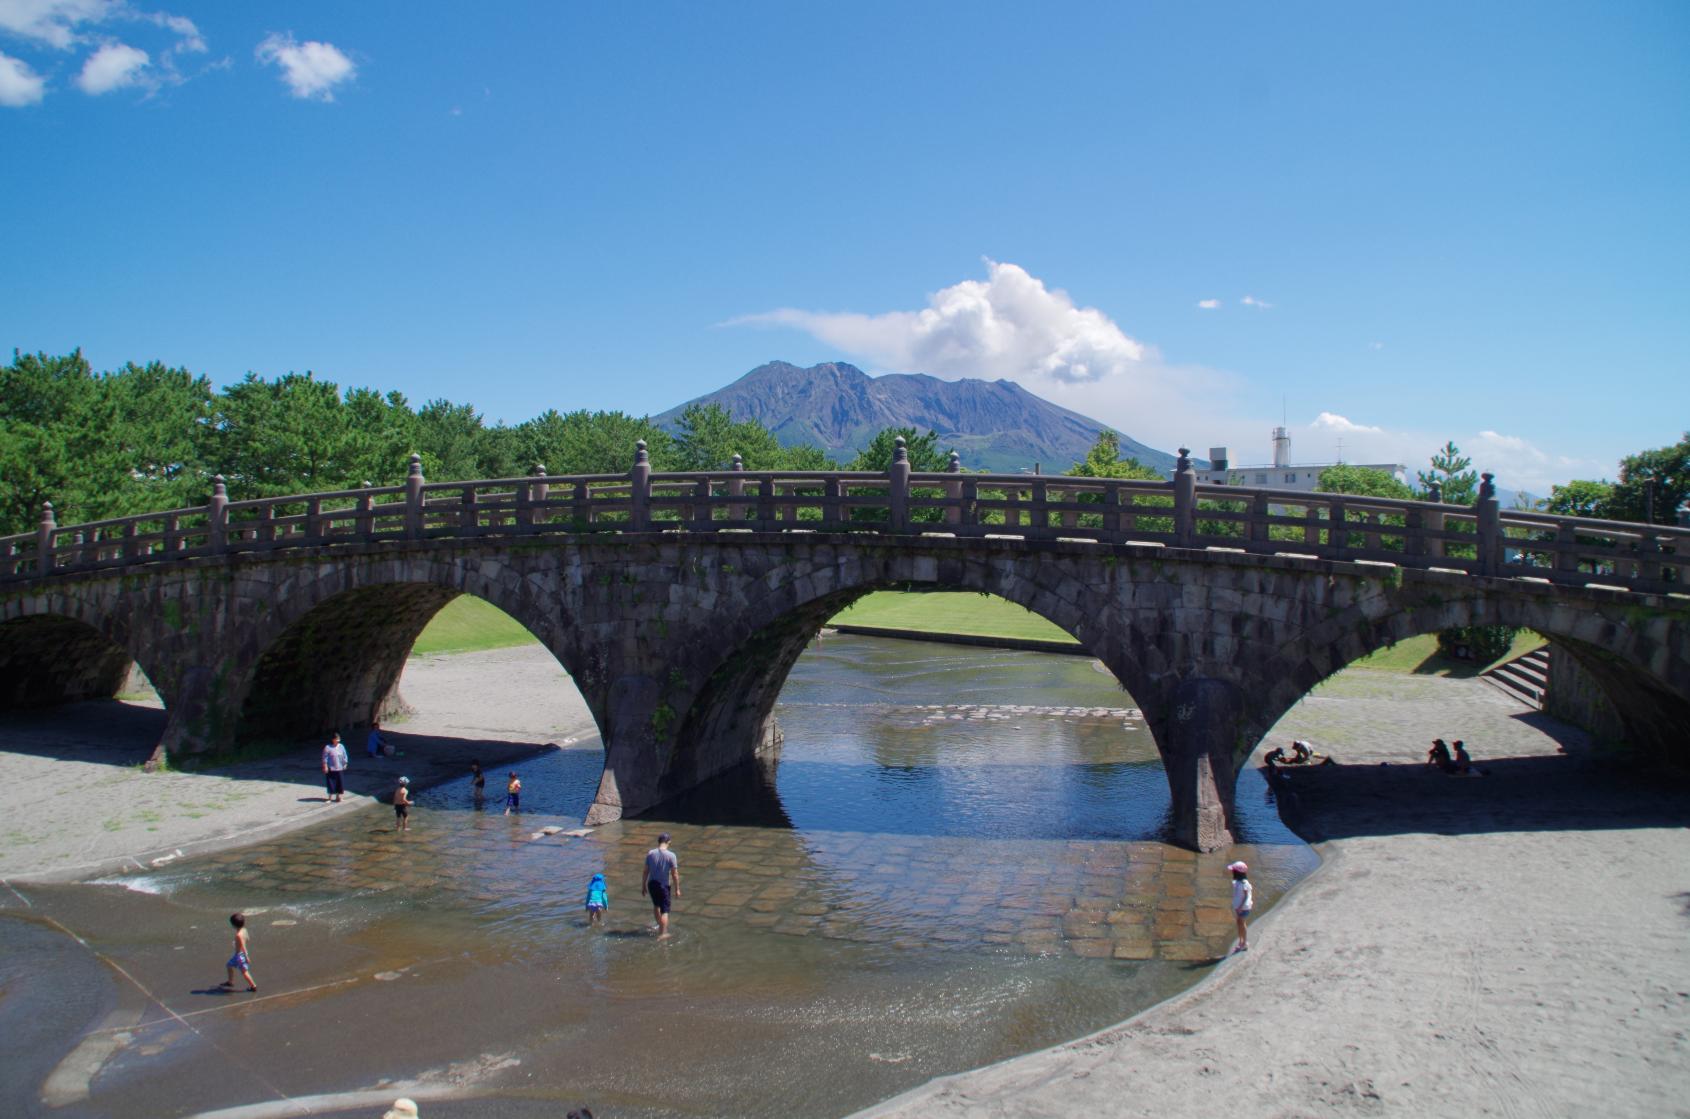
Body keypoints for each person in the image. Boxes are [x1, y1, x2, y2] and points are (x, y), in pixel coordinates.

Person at [642, 832, 681, 939]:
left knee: (656, 906)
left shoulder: (650, 853)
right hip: (663, 886)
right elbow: (674, 874)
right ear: (668, 842)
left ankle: (660, 926)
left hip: (651, 884)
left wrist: (643, 885)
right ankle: (663, 934)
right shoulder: (671, 855)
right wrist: (677, 888)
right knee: (665, 911)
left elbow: (645, 871)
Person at [221, 912, 257, 991]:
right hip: (238, 955)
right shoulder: (244, 930)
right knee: (229, 965)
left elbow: (243, 946)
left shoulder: (238, 935)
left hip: (240, 956)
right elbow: (247, 938)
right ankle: (230, 982)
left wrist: (246, 956)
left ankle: (253, 986)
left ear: (233, 925)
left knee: (244, 971)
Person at [1228, 861, 1253, 953]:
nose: (1232, 872)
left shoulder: (1244, 883)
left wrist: (1240, 907)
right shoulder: (1237, 882)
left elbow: (1246, 896)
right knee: (1239, 923)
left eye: (1233, 871)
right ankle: (1240, 941)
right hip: (1238, 907)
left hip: (1243, 907)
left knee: (1242, 924)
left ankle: (1244, 943)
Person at [322, 732, 349, 802]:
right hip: (331, 768)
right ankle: (329, 798)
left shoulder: (341, 746)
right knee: (331, 783)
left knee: (339, 783)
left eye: (338, 740)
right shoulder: (328, 747)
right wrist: (325, 766)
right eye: (336, 739)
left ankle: (338, 797)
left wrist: (345, 763)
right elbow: (325, 758)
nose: (338, 741)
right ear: (333, 739)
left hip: (339, 768)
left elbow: (344, 755)